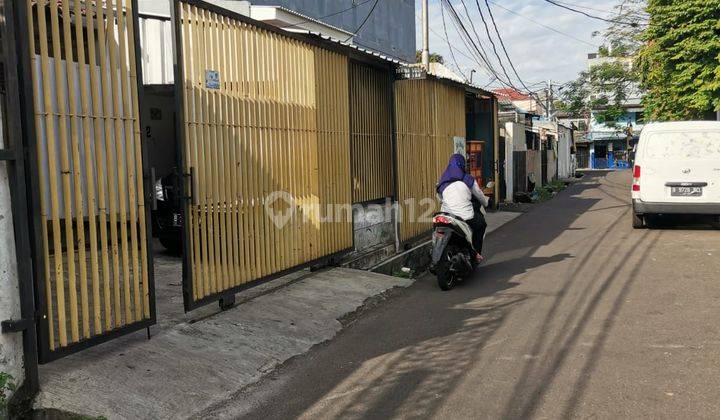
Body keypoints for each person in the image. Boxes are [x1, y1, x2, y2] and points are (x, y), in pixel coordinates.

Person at [436, 153, 489, 262]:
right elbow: (479, 195)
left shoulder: (442, 181)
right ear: (463, 165)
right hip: (465, 216)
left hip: (446, 215)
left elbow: (440, 197)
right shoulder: (468, 179)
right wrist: (486, 203)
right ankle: (476, 254)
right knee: (481, 225)